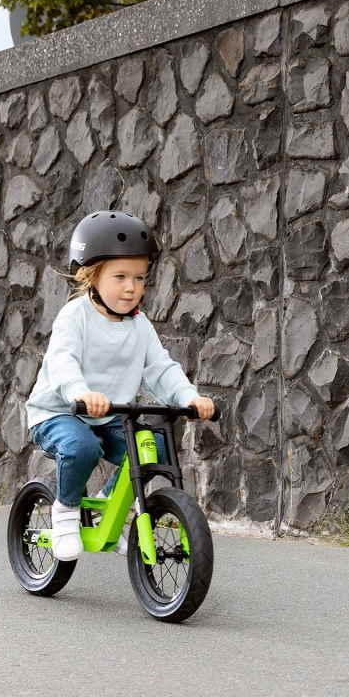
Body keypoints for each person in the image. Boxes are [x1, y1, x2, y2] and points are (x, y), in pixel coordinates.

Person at [25, 210, 215, 561]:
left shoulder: (140, 326)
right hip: (59, 412)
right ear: (92, 276)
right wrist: (81, 393)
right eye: (120, 277)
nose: (131, 287)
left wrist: (189, 397)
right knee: (82, 447)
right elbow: (63, 362)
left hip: (111, 415)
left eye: (140, 278)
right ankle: (65, 511)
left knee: (154, 447)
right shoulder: (75, 316)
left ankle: (115, 510)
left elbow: (161, 368)